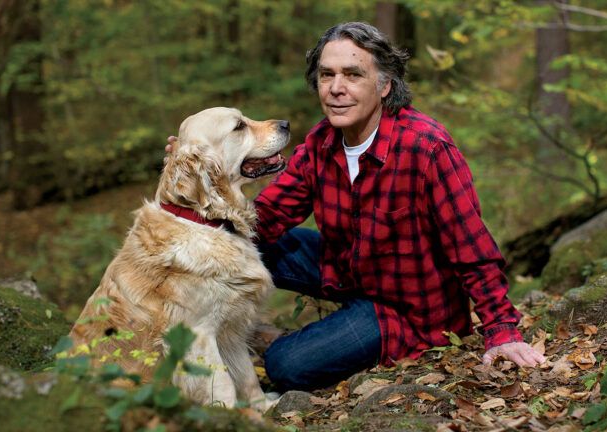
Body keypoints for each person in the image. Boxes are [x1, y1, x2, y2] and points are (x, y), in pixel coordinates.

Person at [169, 22, 544, 392]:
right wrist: (196, 172)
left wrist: (501, 331)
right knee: (241, 238)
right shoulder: (322, 143)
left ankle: (318, 335)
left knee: (285, 364)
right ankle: (199, 324)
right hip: (349, 271)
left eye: (352, 74)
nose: (335, 88)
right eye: (326, 75)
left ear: (384, 86)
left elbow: (472, 250)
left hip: (407, 309)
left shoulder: (426, 148)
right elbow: (263, 219)